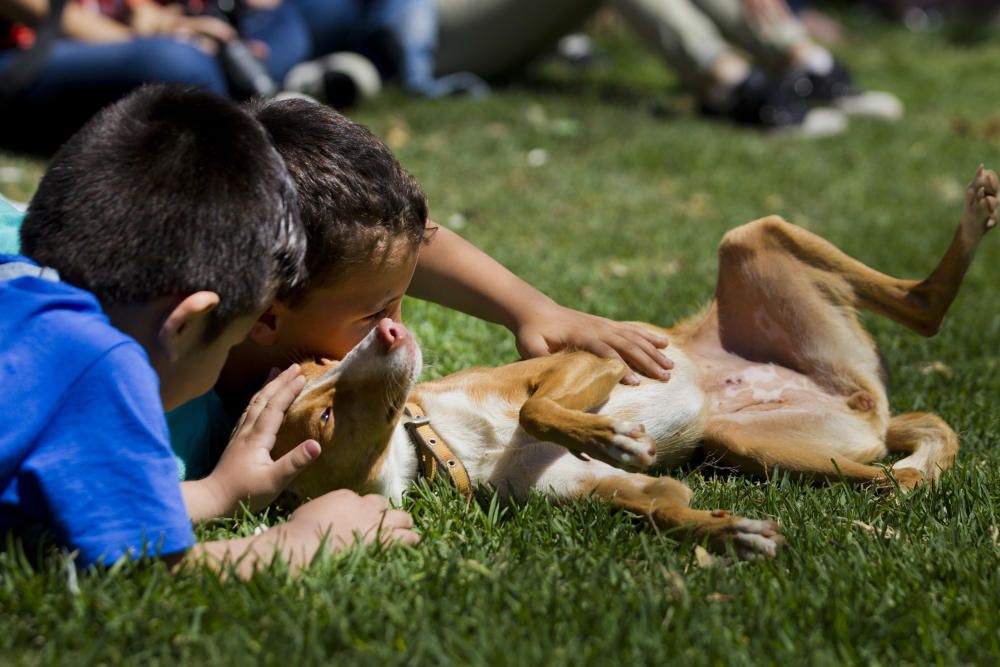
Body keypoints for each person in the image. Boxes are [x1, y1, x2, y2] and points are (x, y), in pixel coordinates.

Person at [0, 85, 419, 576]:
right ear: (187, 324)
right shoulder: (99, 362)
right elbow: (136, 566)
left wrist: (218, 492)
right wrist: (296, 543)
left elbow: (76, 505)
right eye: (228, 341)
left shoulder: (20, 289)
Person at [169, 97, 675, 472]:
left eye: (399, 299)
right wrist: (226, 497)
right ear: (264, 316)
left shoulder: (251, 236)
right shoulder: (174, 411)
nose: (396, 329)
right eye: (375, 313)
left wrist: (532, 310)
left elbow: (393, 244)